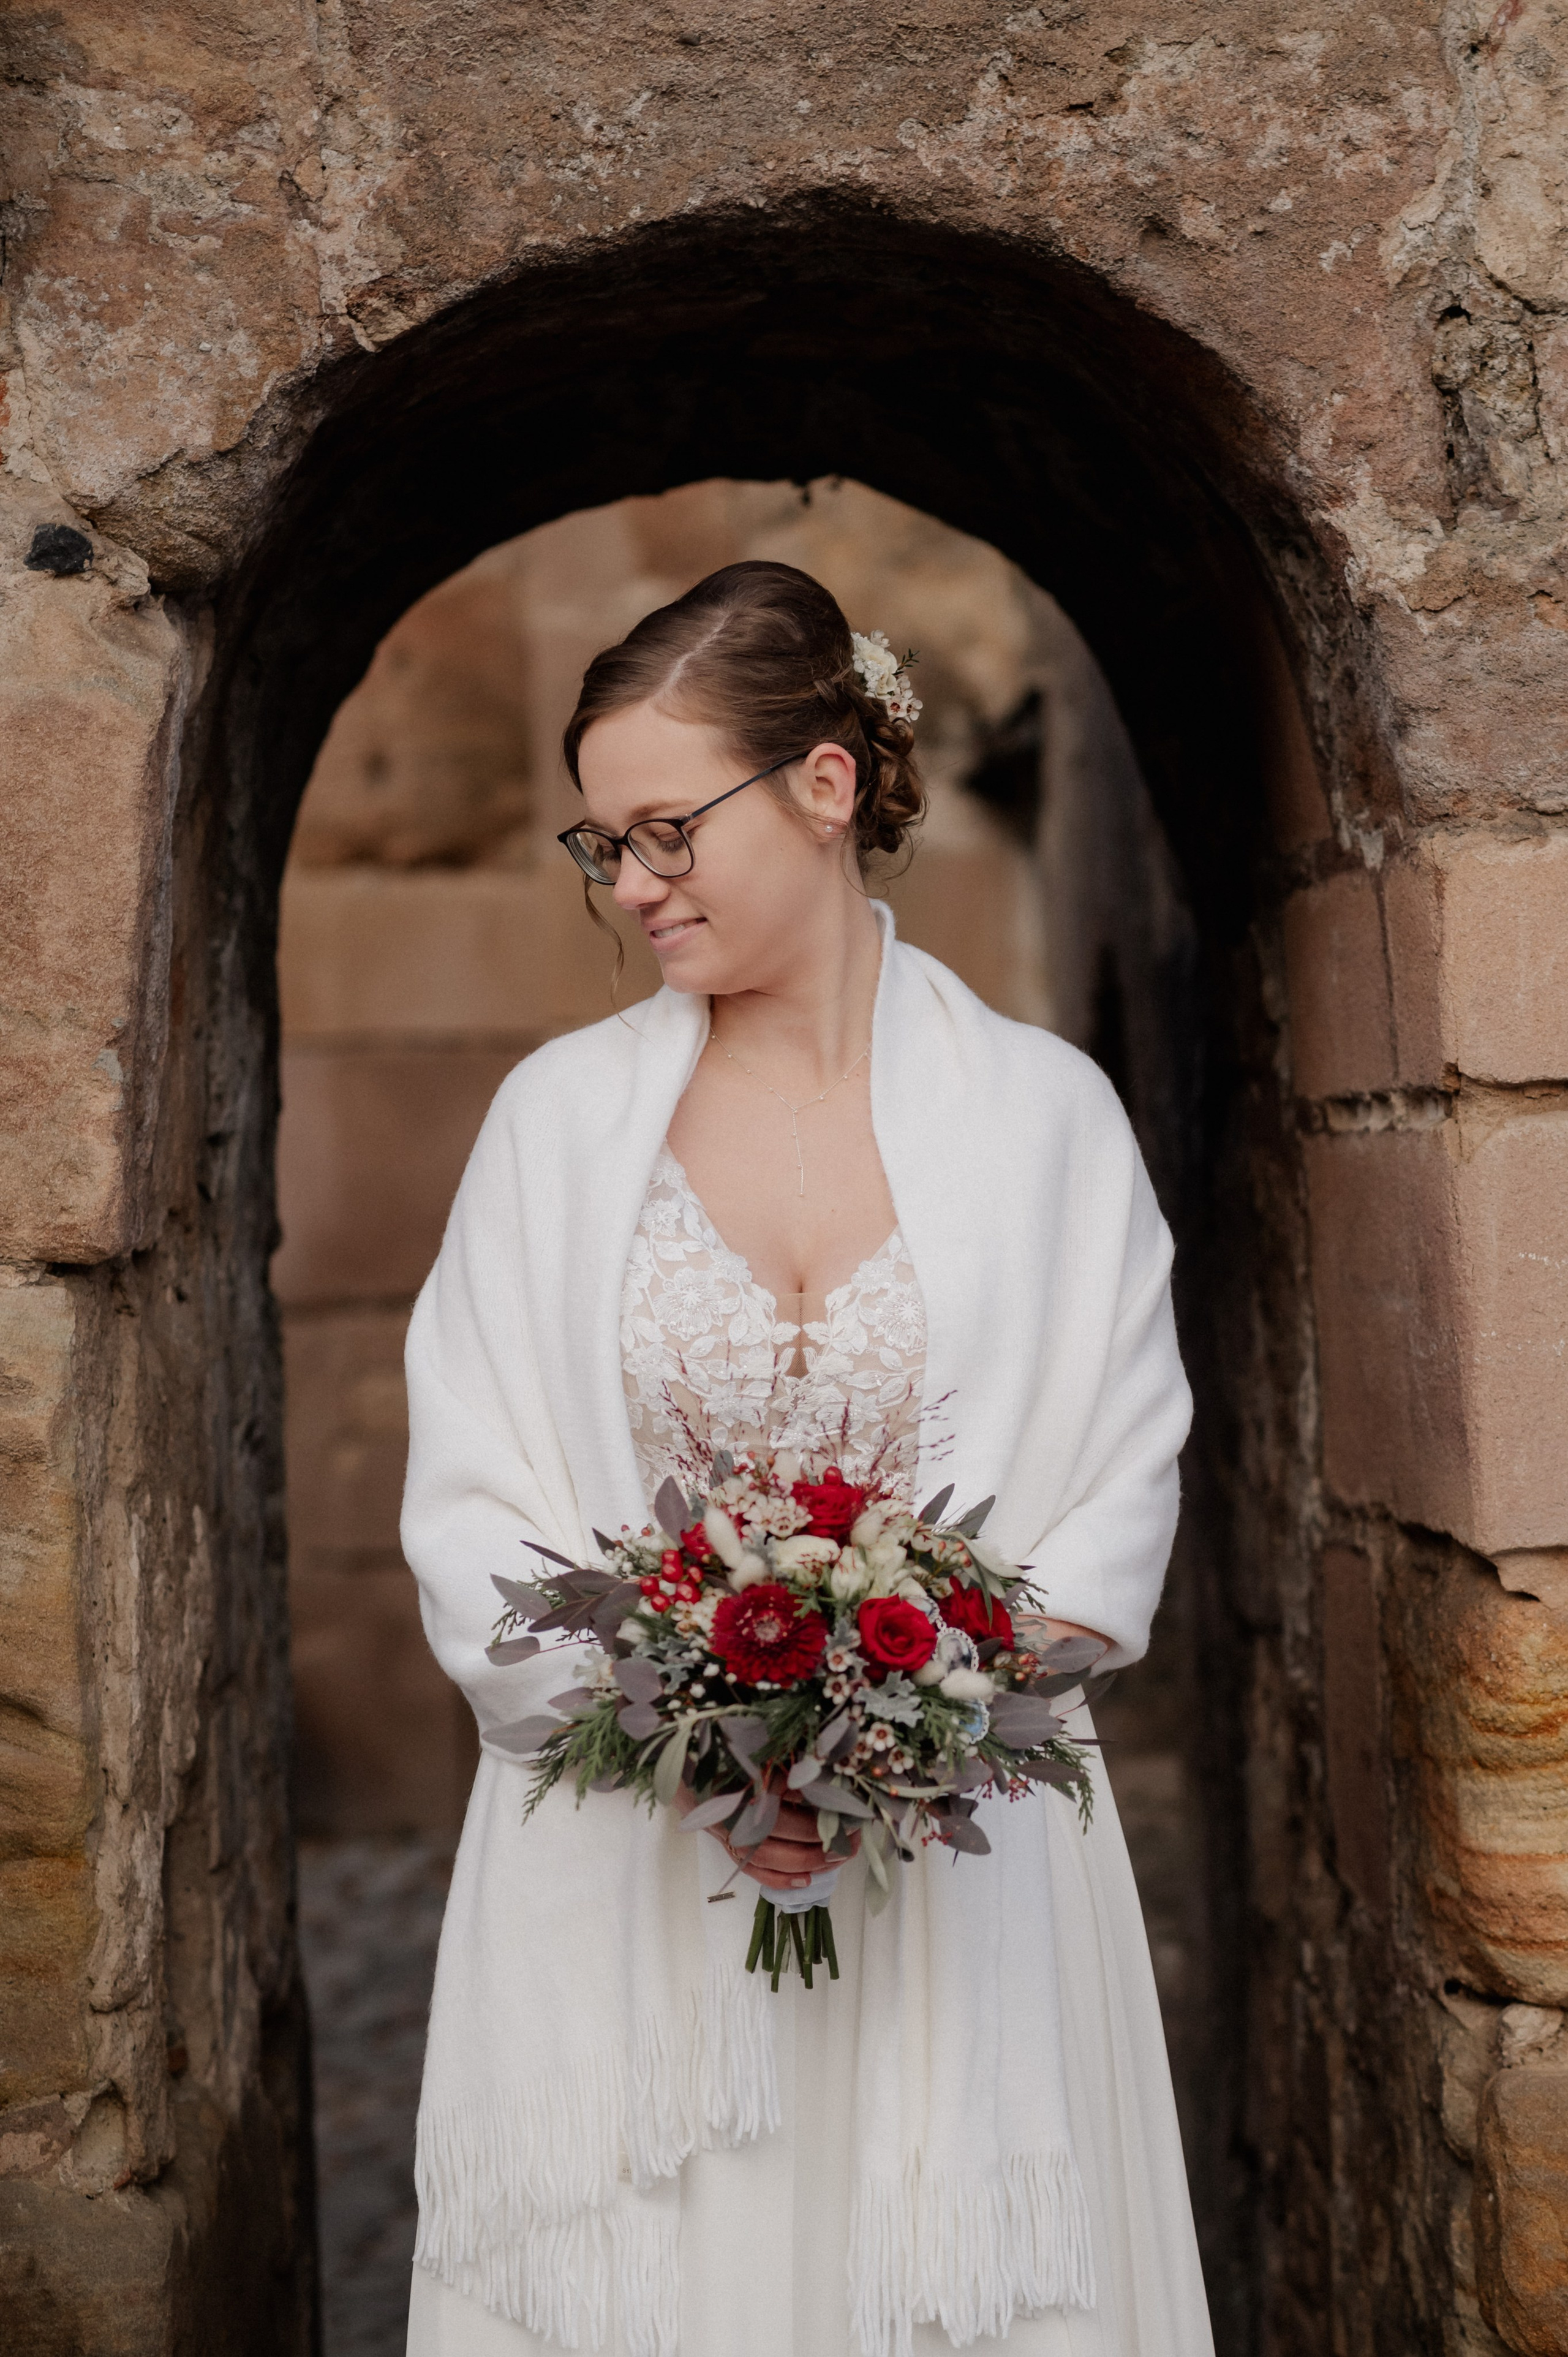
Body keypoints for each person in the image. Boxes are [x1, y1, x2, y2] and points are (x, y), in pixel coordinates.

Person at [401, 561, 1213, 2357]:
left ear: (828, 785)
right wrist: (702, 1748)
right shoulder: (552, 1129)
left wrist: (889, 1749)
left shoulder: (1046, 1124)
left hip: (967, 1876)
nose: (631, 884)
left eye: (669, 828)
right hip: (636, 1870)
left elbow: (1120, 1496)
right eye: (600, 845)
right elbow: (472, 1506)